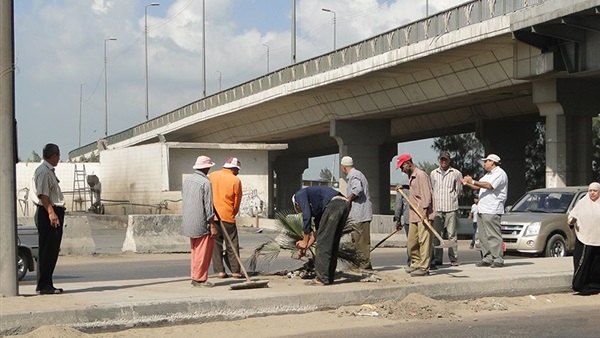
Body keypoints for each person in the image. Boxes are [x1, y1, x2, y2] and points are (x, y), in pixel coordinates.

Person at [293, 186, 350, 285]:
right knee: (332, 243)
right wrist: (306, 247)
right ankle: (329, 277)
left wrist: (304, 240)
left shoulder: (299, 195)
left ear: (297, 204)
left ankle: (321, 279)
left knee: (323, 244)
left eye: (299, 209)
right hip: (344, 204)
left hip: (334, 204)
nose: (301, 210)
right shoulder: (319, 207)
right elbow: (318, 232)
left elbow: (307, 215)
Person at [462, 154, 508, 268]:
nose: (484, 163)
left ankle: (498, 258)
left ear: (492, 162)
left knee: (493, 235)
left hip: (492, 209)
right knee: (483, 236)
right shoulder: (488, 175)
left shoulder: (499, 173)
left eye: (486, 161)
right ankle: (487, 258)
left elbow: (489, 185)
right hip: (482, 209)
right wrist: (466, 183)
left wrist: (472, 181)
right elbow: (478, 186)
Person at [32, 143, 66, 295]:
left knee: (51, 250)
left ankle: (47, 283)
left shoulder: (48, 171)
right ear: (53, 156)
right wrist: (51, 213)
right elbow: (43, 195)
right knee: (47, 250)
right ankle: (44, 285)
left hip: (51, 211)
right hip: (48, 212)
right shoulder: (44, 171)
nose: (59, 159)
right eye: (58, 156)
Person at [182, 155, 218, 287]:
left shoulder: (188, 180)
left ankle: (195, 275)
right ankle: (200, 278)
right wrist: (212, 224)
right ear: (207, 167)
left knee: (195, 251)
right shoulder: (206, 183)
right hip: (202, 222)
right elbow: (208, 206)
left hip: (189, 221)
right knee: (203, 252)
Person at [396, 154, 434, 277]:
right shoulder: (411, 177)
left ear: (408, 163)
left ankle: (424, 267)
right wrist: (404, 186)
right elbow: (415, 190)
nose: (401, 170)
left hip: (423, 214)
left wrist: (424, 212)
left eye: (402, 167)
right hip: (414, 214)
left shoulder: (421, 175)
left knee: (424, 242)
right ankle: (416, 263)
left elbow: (426, 195)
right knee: (412, 242)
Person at [209, 157, 243, 279]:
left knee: (216, 244)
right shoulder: (235, 180)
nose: (238, 172)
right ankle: (235, 271)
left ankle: (220, 271)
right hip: (227, 216)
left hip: (212, 216)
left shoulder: (212, 176)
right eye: (237, 170)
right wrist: (232, 213)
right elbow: (237, 201)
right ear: (233, 168)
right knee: (232, 244)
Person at [430, 151, 463, 268]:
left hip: (451, 207)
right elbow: (432, 190)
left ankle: (453, 258)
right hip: (438, 208)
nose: (444, 162)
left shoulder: (456, 173)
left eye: (446, 160)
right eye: (442, 159)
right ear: (439, 160)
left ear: (449, 161)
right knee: (437, 234)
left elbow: (459, 190)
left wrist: (452, 198)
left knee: (451, 234)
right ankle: (437, 258)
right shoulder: (433, 173)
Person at [340, 156, 373, 270]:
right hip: (357, 214)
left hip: (361, 215)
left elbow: (357, 189)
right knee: (356, 241)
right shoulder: (356, 175)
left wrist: (348, 200)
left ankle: (364, 266)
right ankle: (358, 264)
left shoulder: (355, 175)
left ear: (343, 167)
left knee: (361, 242)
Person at [568, 182, 600, 295]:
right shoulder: (583, 203)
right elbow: (573, 214)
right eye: (590, 191)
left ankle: (595, 286)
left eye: (595, 191)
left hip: (598, 239)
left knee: (596, 264)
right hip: (585, 239)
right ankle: (580, 285)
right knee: (583, 262)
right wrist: (572, 220)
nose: (592, 193)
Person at [393, 181, 410, 266]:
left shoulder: (401, 189)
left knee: (411, 242)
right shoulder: (421, 183)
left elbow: (398, 207)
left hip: (409, 219)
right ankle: (430, 262)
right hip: (421, 218)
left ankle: (411, 262)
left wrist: (398, 221)